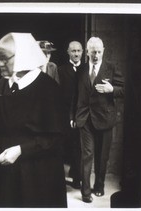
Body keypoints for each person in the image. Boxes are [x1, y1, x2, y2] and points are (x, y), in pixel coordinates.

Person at [0, 32, 67, 207]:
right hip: (4, 172)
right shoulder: (5, 83)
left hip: (36, 174)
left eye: (5, 58)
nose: (0, 63)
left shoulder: (48, 89)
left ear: (23, 57)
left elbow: (57, 139)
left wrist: (21, 150)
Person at [75, 37, 124, 203]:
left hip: (105, 118)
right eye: (93, 52)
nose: (96, 55)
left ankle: (99, 186)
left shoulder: (111, 68)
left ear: (103, 50)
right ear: (87, 51)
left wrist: (112, 89)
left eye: (99, 52)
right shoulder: (81, 69)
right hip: (85, 118)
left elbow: (125, 90)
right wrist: (72, 116)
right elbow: (75, 96)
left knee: (102, 157)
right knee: (86, 155)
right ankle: (85, 192)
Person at [58, 41, 84, 190]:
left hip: (81, 114)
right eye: (73, 51)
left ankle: (77, 177)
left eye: (79, 51)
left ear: (82, 52)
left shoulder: (86, 69)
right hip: (65, 116)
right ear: (68, 52)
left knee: (79, 146)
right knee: (65, 146)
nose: (76, 53)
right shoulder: (61, 70)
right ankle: (61, 178)